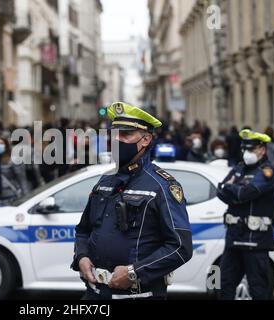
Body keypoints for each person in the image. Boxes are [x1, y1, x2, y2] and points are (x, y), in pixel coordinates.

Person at [71, 102, 193, 300]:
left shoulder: (162, 186)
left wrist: (134, 272)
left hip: (138, 295)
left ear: (145, 140)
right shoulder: (105, 181)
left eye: (126, 135)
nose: (117, 140)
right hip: (95, 294)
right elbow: (83, 230)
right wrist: (82, 257)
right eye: (115, 134)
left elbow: (180, 247)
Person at [217, 129, 274, 300]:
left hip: (255, 241)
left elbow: (247, 193)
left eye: (251, 150)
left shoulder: (268, 172)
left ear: (262, 150)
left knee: (258, 289)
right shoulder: (239, 168)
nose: (246, 153)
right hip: (233, 238)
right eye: (245, 149)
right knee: (223, 285)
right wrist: (235, 191)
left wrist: (232, 189)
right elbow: (220, 191)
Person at [0, 136, 29, 202]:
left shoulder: (13, 160)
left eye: (1, 143)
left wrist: (26, 197)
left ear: (6, 146)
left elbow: (22, 180)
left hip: (11, 195)